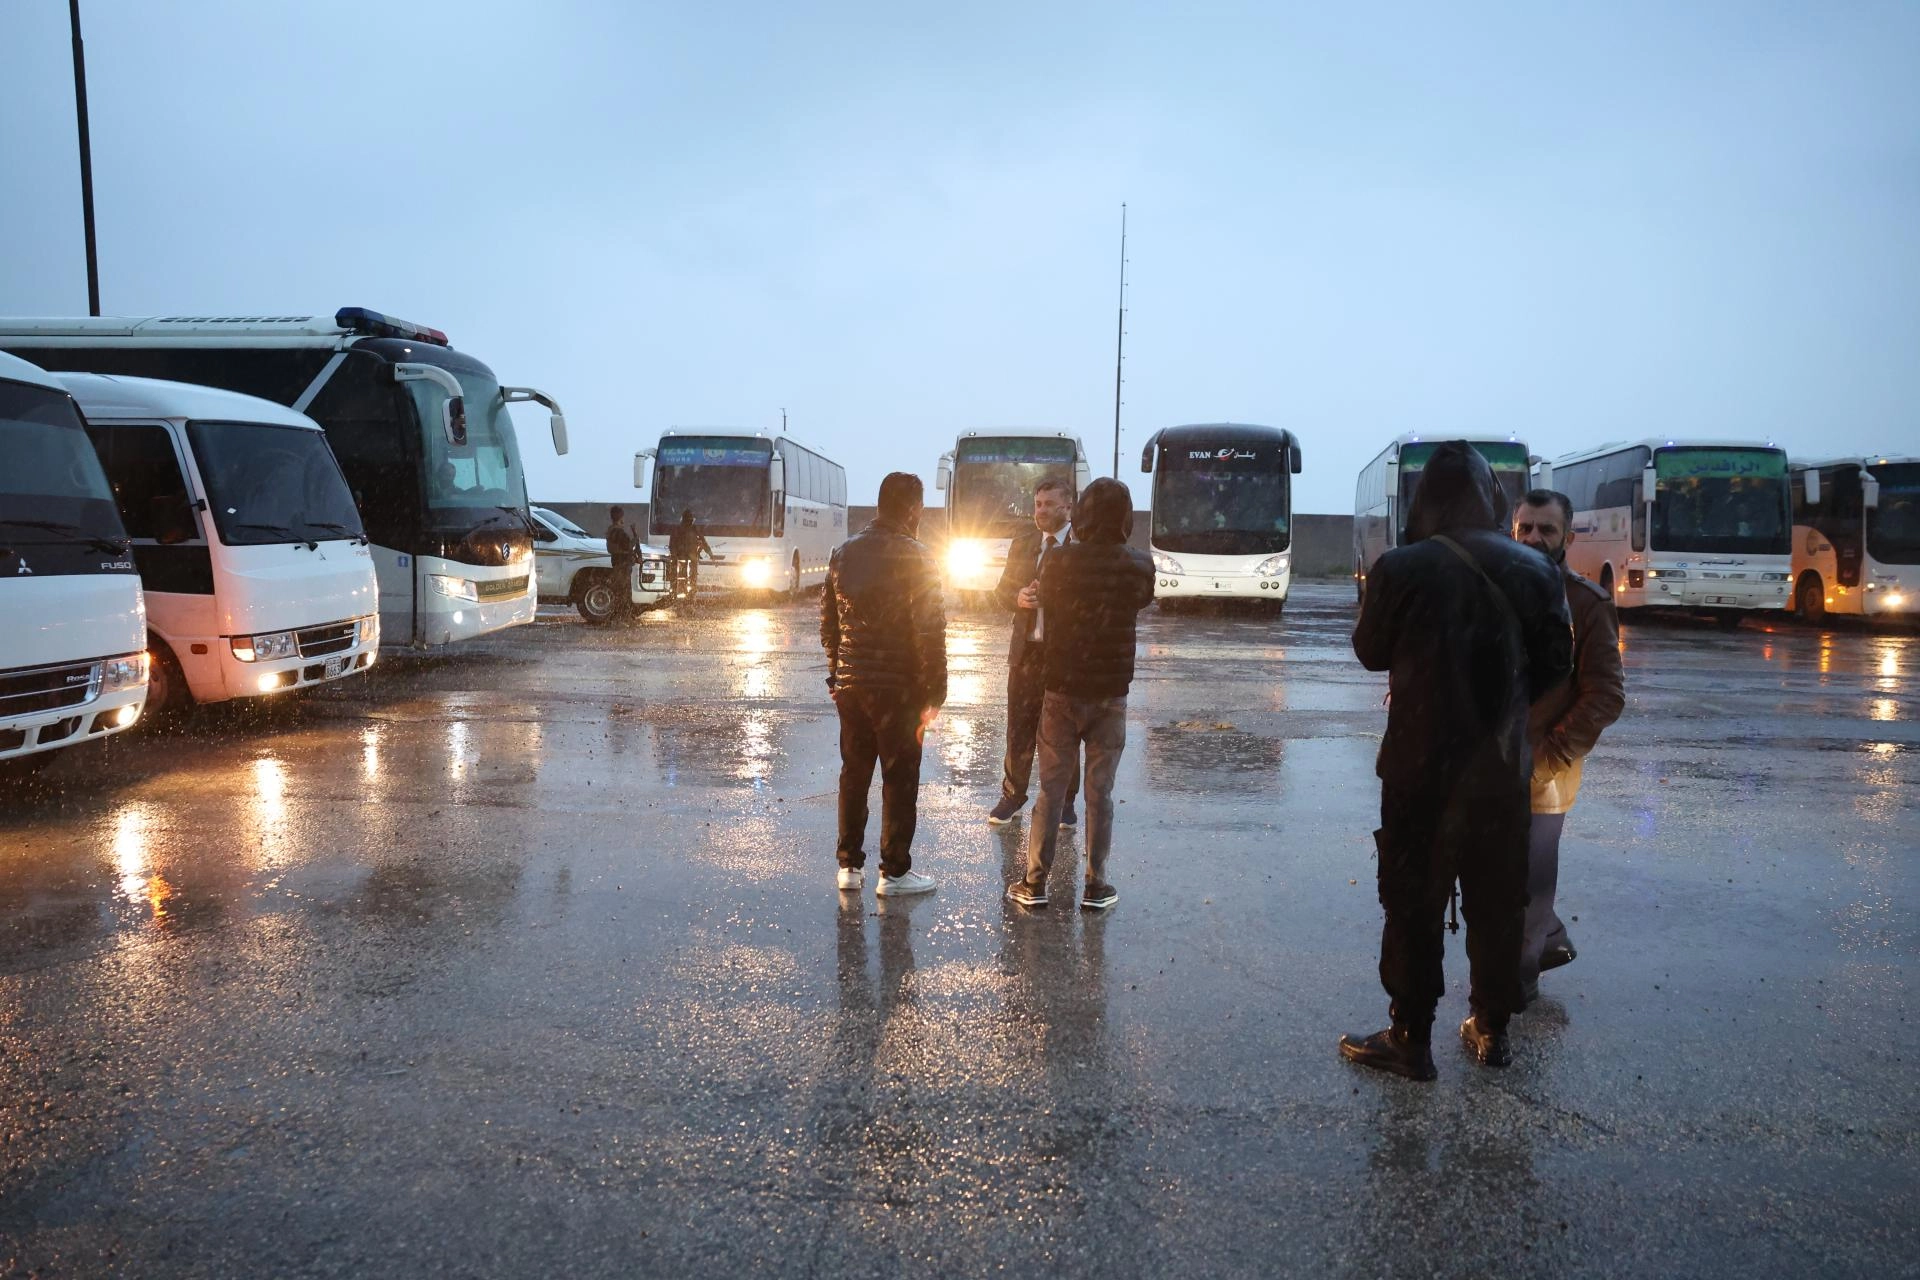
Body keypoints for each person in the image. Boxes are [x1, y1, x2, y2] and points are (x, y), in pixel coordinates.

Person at [1342, 442, 1572, 1080]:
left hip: (1417, 768)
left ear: (1425, 502)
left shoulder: (1400, 567)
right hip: (1499, 770)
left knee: (1411, 904)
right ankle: (1491, 1029)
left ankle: (1410, 1037)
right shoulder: (1535, 568)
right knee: (1498, 904)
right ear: (1491, 497)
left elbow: (1370, 652)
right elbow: (1557, 665)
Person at [1006, 477, 1154, 912]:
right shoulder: (1139, 565)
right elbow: (1141, 600)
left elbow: (1047, 602)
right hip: (1111, 694)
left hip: (1062, 689)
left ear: (1082, 513)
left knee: (1051, 790)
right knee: (1099, 793)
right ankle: (1096, 885)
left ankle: (1035, 883)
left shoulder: (1057, 562)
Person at [1511, 489, 1625, 1005]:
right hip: (1487, 766)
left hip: (1545, 776)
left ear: (1568, 538)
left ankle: (1517, 986)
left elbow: (1605, 695)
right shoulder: (1491, 589)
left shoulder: (1587, 603)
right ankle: (1549, 940)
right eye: (1526, 528)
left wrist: (1549, 756)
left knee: (1531, 887)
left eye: (1547, 529)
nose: (1534, 538)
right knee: (1491, 877)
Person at [820, 472, 946, 897]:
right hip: (900, 688)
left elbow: (830, 623)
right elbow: (930, 630)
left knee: (854, 774)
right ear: (914, 509)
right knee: (899, 777)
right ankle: (893, 872)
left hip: (852, 686)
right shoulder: (918, 556)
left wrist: (837, 673)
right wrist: (936, 692)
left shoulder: (844, 552)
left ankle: (848, 866)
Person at [988, 477, 1081, 827]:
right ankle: (1013, 796)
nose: (1040, 511)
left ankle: (1065, 802)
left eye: (1048, 504)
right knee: (1019, 728)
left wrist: (1056, 599)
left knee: (1065, 732)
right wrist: (1017, 597)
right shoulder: (1024, 542)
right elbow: (1000, 591)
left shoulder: (1082, 545)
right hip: (1026, 653)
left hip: (1065, 656)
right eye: (1038, 504)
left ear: (1068, 506)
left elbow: (1090, 600)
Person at [668, 508, 714, 596]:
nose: (689, 522)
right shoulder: (680, 529)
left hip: (687, 557)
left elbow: (703, 541)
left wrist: (710, 553)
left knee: (690, 574)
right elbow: (672, 544)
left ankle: (688, 590)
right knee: (682, 574)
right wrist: (674, 555)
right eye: (688, 520)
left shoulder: (691, 529)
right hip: (682, 557)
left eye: (690, 520)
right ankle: (680, 589)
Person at [604, 505, 637, 621]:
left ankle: (619, 615)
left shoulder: (611, 531)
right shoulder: (619, 532)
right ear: (621, 517)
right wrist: (635, 538)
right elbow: (628, 546)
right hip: (623, 565)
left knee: (619, 590)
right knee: (624, 591)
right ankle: (623, 615)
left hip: (617, 563)